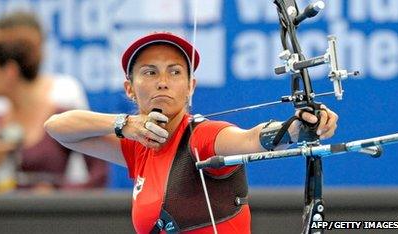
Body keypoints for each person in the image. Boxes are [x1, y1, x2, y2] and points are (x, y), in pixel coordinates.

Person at [44, 32, 338, 233]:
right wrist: (124, 124)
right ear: (129, 89)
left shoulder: (203, 137)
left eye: (174, 72)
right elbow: (57, 128)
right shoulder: (139, 147)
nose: (163, 82)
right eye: (149, 72)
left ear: (190, 87)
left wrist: (298, 128)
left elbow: (249, 139)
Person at [0, 12, 107, 191]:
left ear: (10, 70)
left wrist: (57, 194)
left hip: (56, 214)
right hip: (5, 215)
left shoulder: (64, 97)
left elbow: (96, 168)